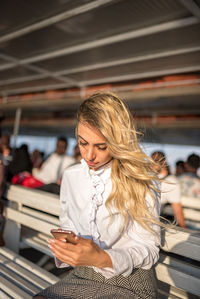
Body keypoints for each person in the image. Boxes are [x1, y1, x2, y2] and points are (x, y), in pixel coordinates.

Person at [34, 91, 163, 299]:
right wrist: (68, 248)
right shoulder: (71, 176)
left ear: (118, 140)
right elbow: (68, 226)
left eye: (101, 146)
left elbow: (148, 249)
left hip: (130, 282)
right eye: (83, 143)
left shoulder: (141, 180)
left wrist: (102, 258)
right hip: (82, 274)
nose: (89, 155)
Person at [151, 151, 186, 228]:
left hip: (151, 220)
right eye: (151, 161)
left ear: (164, 162)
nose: (152, 164)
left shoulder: (171, 181)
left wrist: (183, 228)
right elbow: (177, 209)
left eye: (155, 161)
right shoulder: (171, 181)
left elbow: (177, 210)